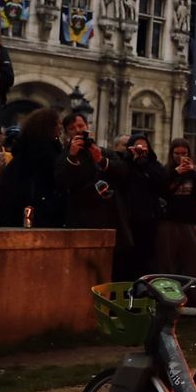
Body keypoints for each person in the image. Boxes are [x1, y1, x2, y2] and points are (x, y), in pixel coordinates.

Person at [56, 112, 133, 281]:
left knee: (113, 269)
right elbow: (62, 181)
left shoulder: (104, 152)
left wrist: (101, 160)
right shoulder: (64, 157)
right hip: (82, 219)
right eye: (72, 128)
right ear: (67, 133)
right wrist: (72, 156)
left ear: (87, 127)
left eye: (80, 126)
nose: (77, 130)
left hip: (109, 218)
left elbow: (123, 173)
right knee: (84, 271)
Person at [0, 108, 66, 228]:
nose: (61, 127)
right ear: (48, 126)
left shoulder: (27, 147)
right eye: (57, 123)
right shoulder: (43, 150)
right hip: (34, 209)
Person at [156, 138, 196, 276]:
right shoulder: (165, 171)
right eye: (177, 153)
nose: (181, 157)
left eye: (184, 153)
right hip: (169, 221)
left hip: (190, 220)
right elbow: (159, 190)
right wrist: (175, 173)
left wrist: (193, 172)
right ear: (171, 154)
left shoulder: (194, 173)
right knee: (168, 261)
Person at [115, 133, 168, 282]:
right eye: (137, 145)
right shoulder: (125, 163)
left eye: (144, 146)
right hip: (128, 220)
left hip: (148, 220)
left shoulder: (153, 165)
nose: (141, 149)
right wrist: (130, 159)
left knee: (147, 261)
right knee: (126, 261)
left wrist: (144, 163)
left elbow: (162, 183)